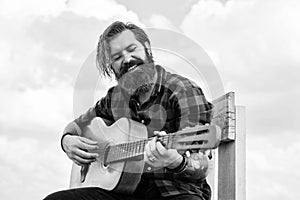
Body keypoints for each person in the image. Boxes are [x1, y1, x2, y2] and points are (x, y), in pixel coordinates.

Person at [44, 21, 213, 200]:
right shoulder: (115, 98)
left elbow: (201, 165)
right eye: (117, 57)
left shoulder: (182, 91)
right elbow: (78, 125)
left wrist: (175, 162)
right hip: (124, 193)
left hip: (175, 192)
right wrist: (67, 141)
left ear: (147, 48)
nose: (127, 59)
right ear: (111, 67)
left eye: (132, 49)